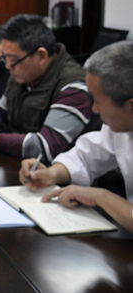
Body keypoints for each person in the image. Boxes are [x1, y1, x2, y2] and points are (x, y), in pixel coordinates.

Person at [0, 14, 99, 162]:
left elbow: (45, 147)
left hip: (57, 172)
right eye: (5, 58)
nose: (8, 66)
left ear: (41, 56)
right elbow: (2, 110)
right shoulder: (23, 71)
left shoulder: (73, 87)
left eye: (13, 60)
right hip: (23, 163)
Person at [20, 41, 133, 233]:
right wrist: (52, 174)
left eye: (98, 101)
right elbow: (87, 156)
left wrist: (101, 197)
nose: (94, 109)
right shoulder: (120, 126)